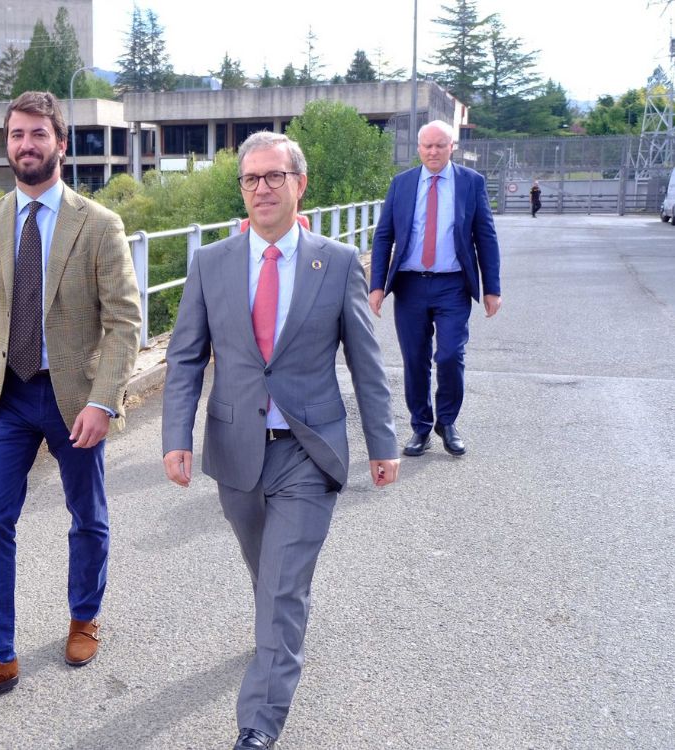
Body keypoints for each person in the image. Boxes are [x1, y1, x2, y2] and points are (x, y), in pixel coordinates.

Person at [162, 131, 400, 750]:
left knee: (283, 583)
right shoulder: (211, 263)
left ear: (300, 185)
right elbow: (186, 358)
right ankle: (278, 634)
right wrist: (175, 436)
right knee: (264, 571)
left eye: (273, 177)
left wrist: (384, 443)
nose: (261, 188)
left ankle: (258, 724)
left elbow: (367, 363)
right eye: (250, 179)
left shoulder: (338, 262)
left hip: (308, 449)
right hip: (237, 447)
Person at [0, 91, 142, 704]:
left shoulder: (99, 224)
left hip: (73, 397)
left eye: (36, 135)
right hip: (6, 396)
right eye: (15, 135)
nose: (24, 145)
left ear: (60, 142)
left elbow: (125, 322)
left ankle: (85, 616)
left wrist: (103, 401)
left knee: (87, 515)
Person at [369, 119, 502, 458]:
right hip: (410, 285)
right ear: (418, 148)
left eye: (440, 145)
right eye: (427, 145)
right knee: (415, 360)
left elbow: (485, 236)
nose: (433, 151)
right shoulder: (402, 184)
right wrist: (377, 285)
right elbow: (384, 235)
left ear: (451, 147)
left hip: (453, 285)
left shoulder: (471, 183)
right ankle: (421, 427)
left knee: (450, 355)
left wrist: (492, 288)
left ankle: (447, 421)